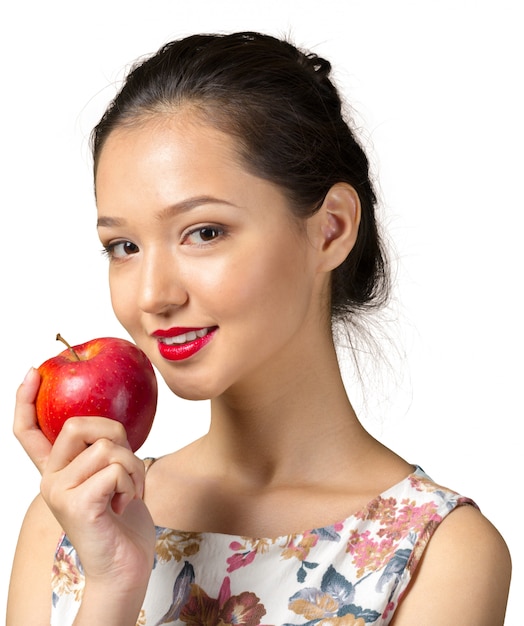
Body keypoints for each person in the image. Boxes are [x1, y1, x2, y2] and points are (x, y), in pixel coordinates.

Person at [7, 31, 511, 625]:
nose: (152, 296)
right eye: (123, 246)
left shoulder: (439, 555)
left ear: (330, 229)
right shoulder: (72, 522)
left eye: (204, 232)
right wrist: (112, 585)